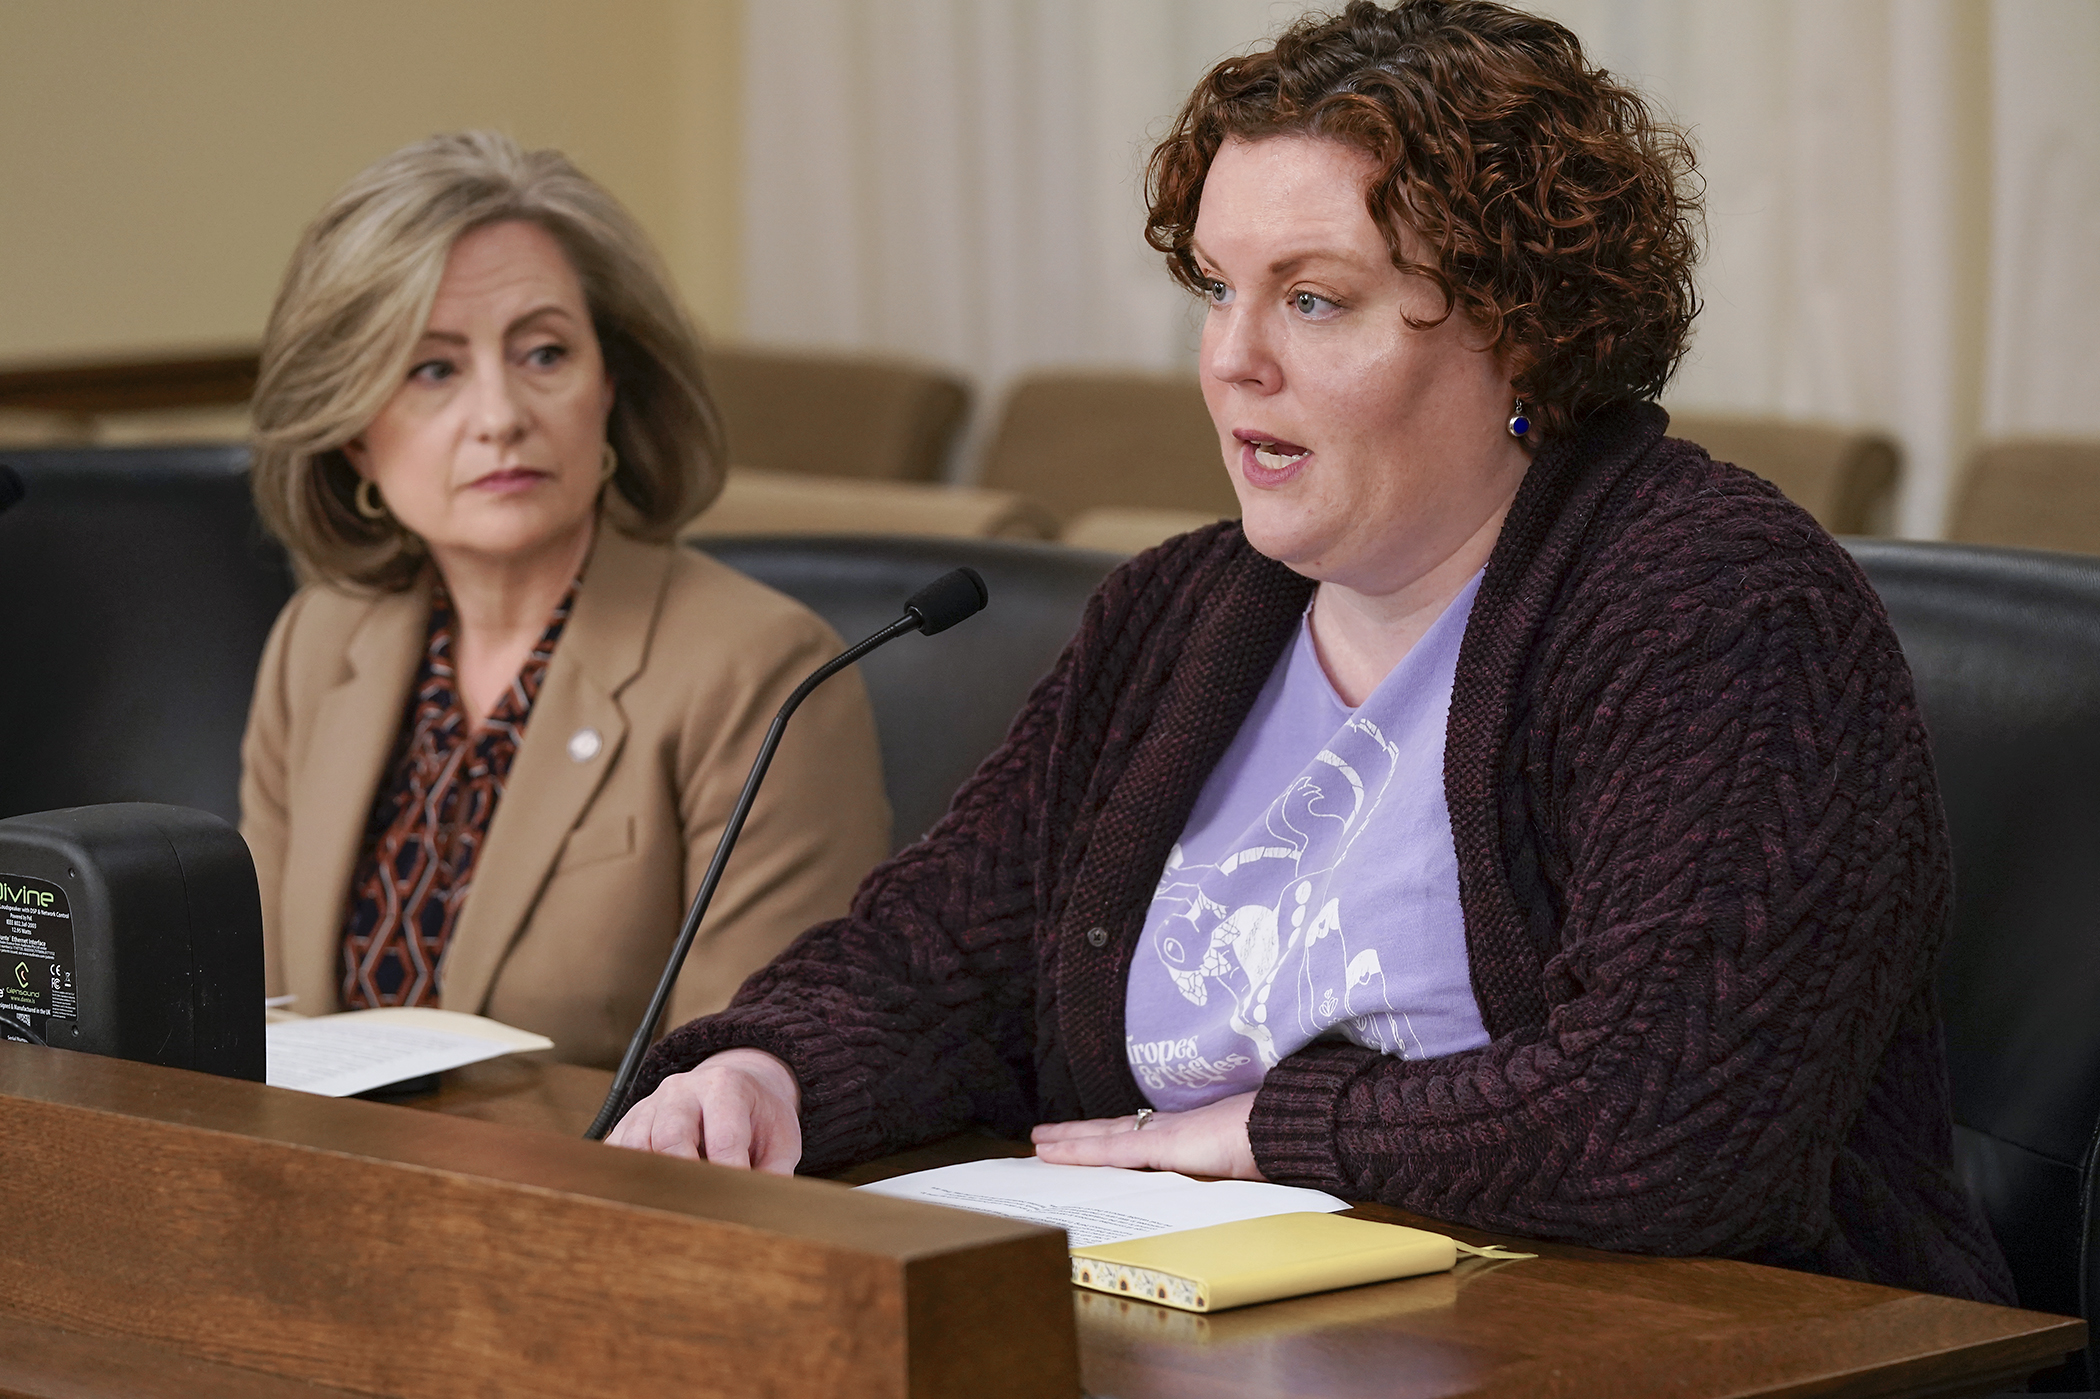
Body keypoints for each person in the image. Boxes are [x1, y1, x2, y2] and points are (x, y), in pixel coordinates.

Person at [609, 0, 2013, 1303]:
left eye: (1314, 298)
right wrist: (768, 1067)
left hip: (1664, 1345)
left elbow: (1672, 1123)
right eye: (1219, 288)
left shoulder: (1719, 606)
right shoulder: (1178, 615)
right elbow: (933, 964)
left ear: (1523, 330)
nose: (1234, 358)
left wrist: (1270, 1129)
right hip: (1206, 1331)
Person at [240, 132, 890, 1067]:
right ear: (353, 434)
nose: (501, 416)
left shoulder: (761, 671)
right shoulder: (318, 640)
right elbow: (256, 1018)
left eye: (544, 354)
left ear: (609, 385)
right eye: (434, 369)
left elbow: (733, 1083)